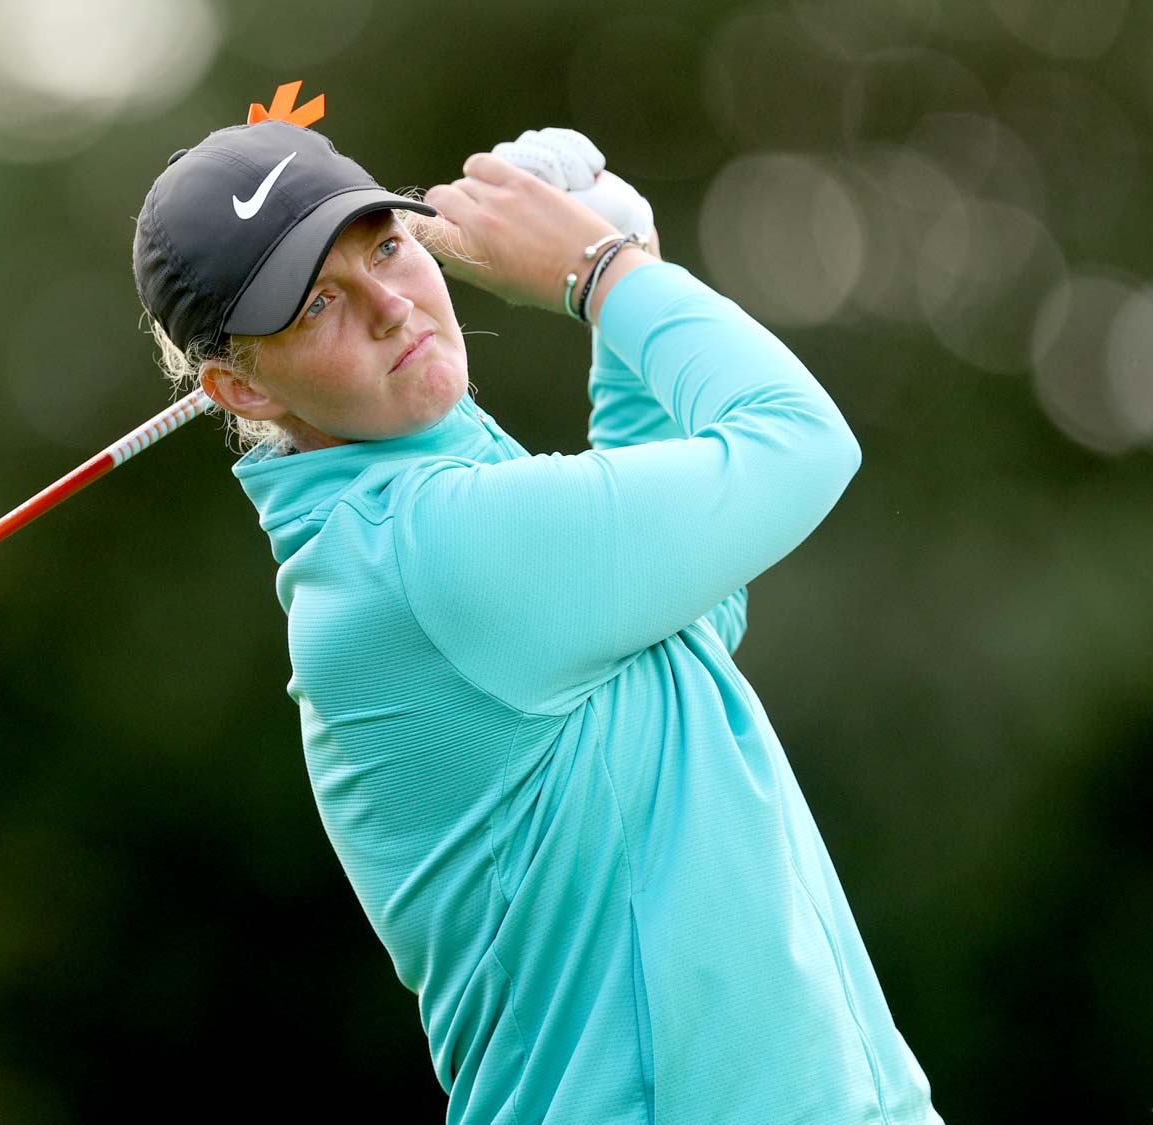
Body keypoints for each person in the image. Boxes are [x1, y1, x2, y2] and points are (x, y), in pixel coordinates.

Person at [133, 85, 942, 1124]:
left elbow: (687, 626)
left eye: (382, 247)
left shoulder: (412, 529)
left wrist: (625, 246)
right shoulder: (428, 555)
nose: (392, 305)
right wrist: (606, 274)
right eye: (316, 303)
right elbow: (797, 442)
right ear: (241, 390)